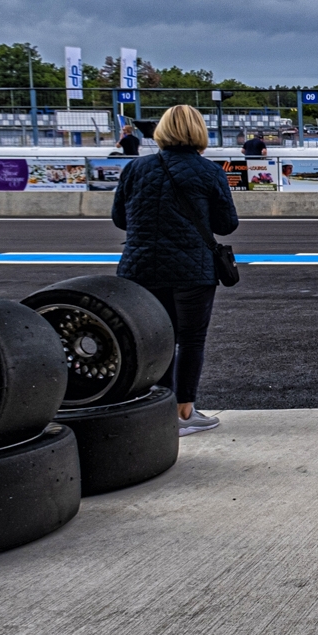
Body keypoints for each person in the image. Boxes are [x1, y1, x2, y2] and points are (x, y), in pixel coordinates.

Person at [112, 104, 237, 435]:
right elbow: (227, 224)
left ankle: (161, 406)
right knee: (191, 338)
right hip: (191, 268)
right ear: (200, 132)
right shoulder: (210, 171)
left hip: (139, 267)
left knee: (157, 337)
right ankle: (184, 412)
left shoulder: (135, 169)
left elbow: (119, 220)